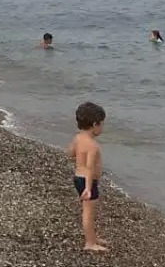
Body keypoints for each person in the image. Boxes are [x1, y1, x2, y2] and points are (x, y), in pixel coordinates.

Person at [69, 102, 109, 252]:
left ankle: (92, 237)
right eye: (102, 124)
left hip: (78, 177)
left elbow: (71, 153)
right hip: (88, 182)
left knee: (88, 211)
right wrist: (88, 188)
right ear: (95, 124)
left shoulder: (78, 138)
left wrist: (79, 157)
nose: (102, 128)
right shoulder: (93, 145)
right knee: (88, 213)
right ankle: (90, 243)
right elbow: (90, 168)